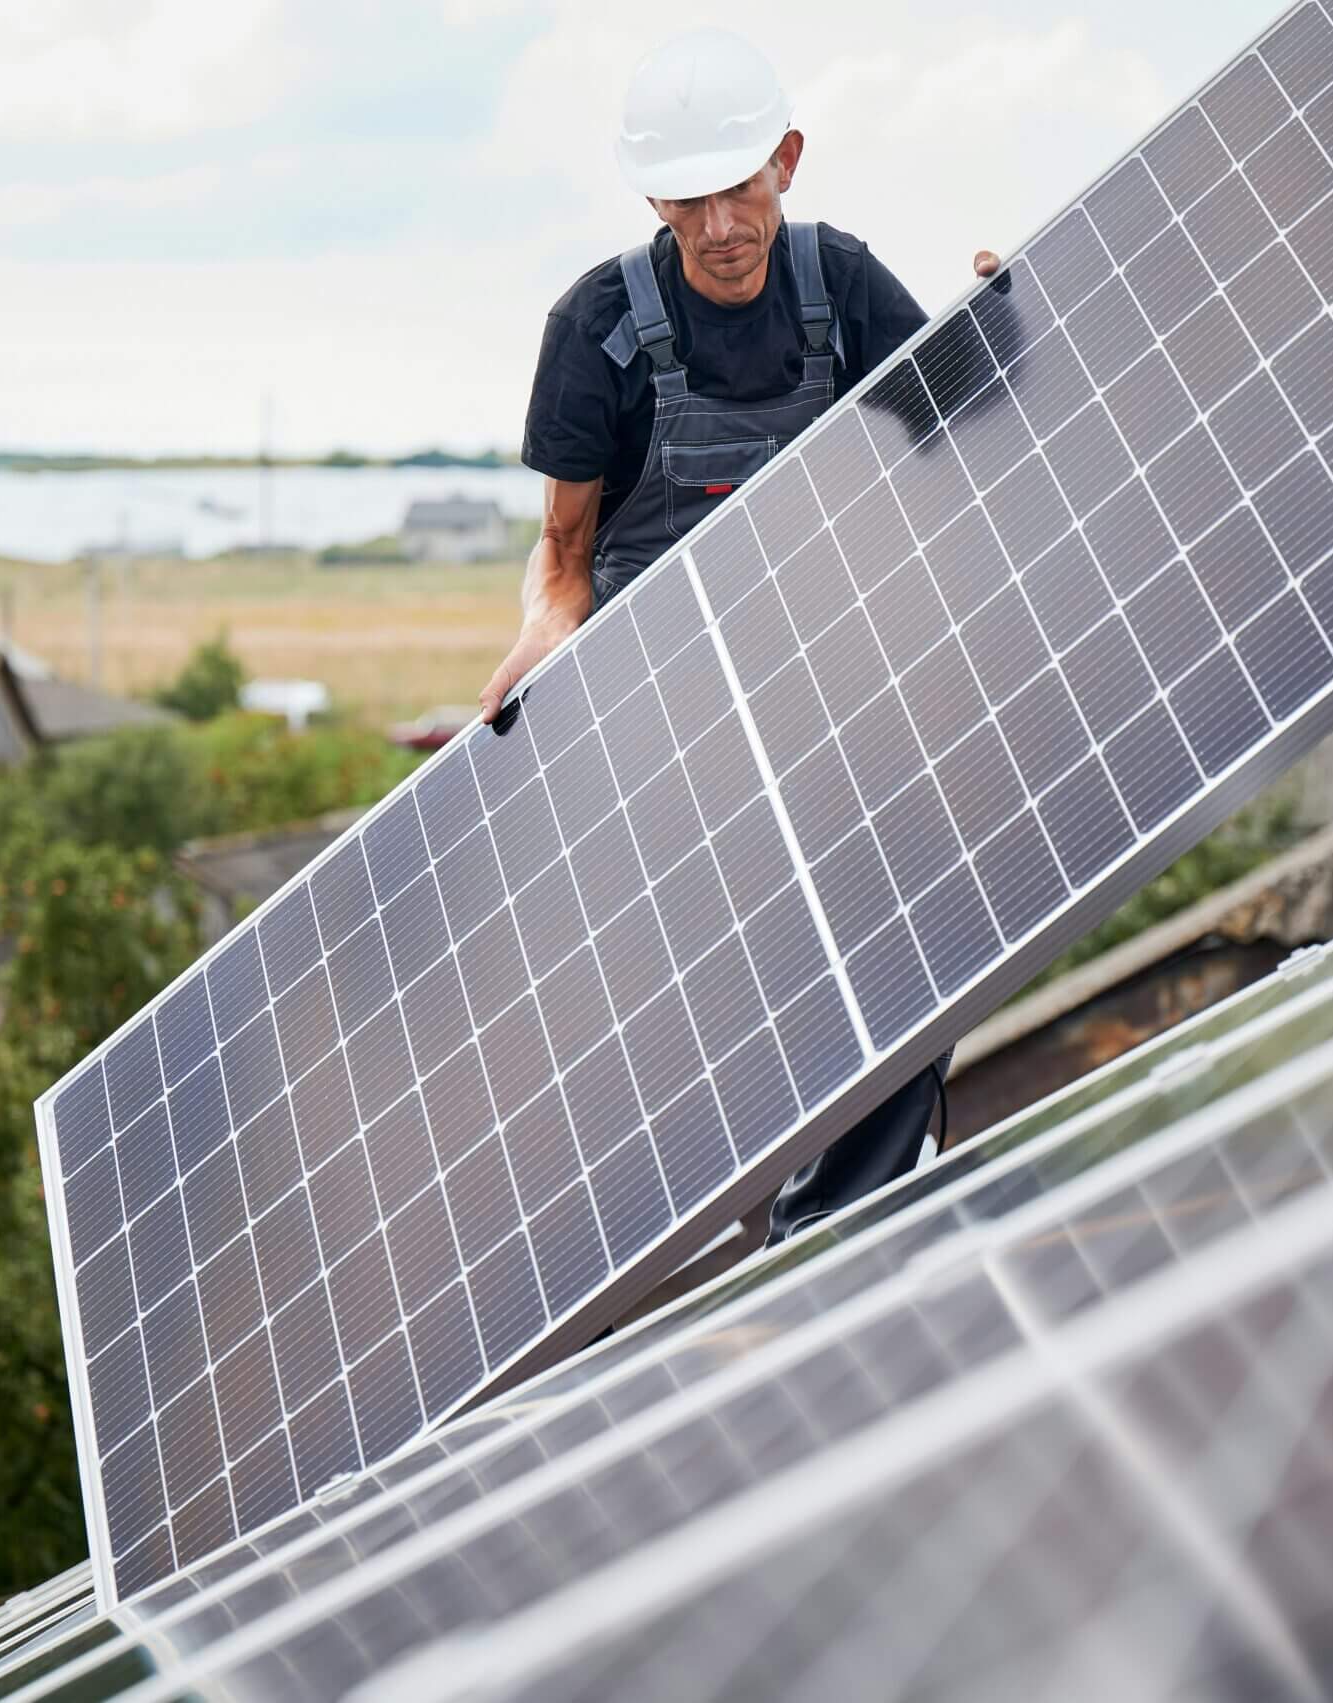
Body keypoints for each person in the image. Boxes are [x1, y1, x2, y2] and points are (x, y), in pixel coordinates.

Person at [480, 28, 998, 1245]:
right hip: (673, 730)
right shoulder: (596, 325)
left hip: (835, 693)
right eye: (689, 197)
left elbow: (972, 445)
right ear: (652, 196)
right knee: (746, 1004)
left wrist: (999, 317)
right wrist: (543, 650)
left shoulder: (844, 285)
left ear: (787, 161)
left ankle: (836, 1240)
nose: (719, 225)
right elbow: (562, 564)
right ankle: (771, 1231)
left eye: (740, 187)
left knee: (921, 940)